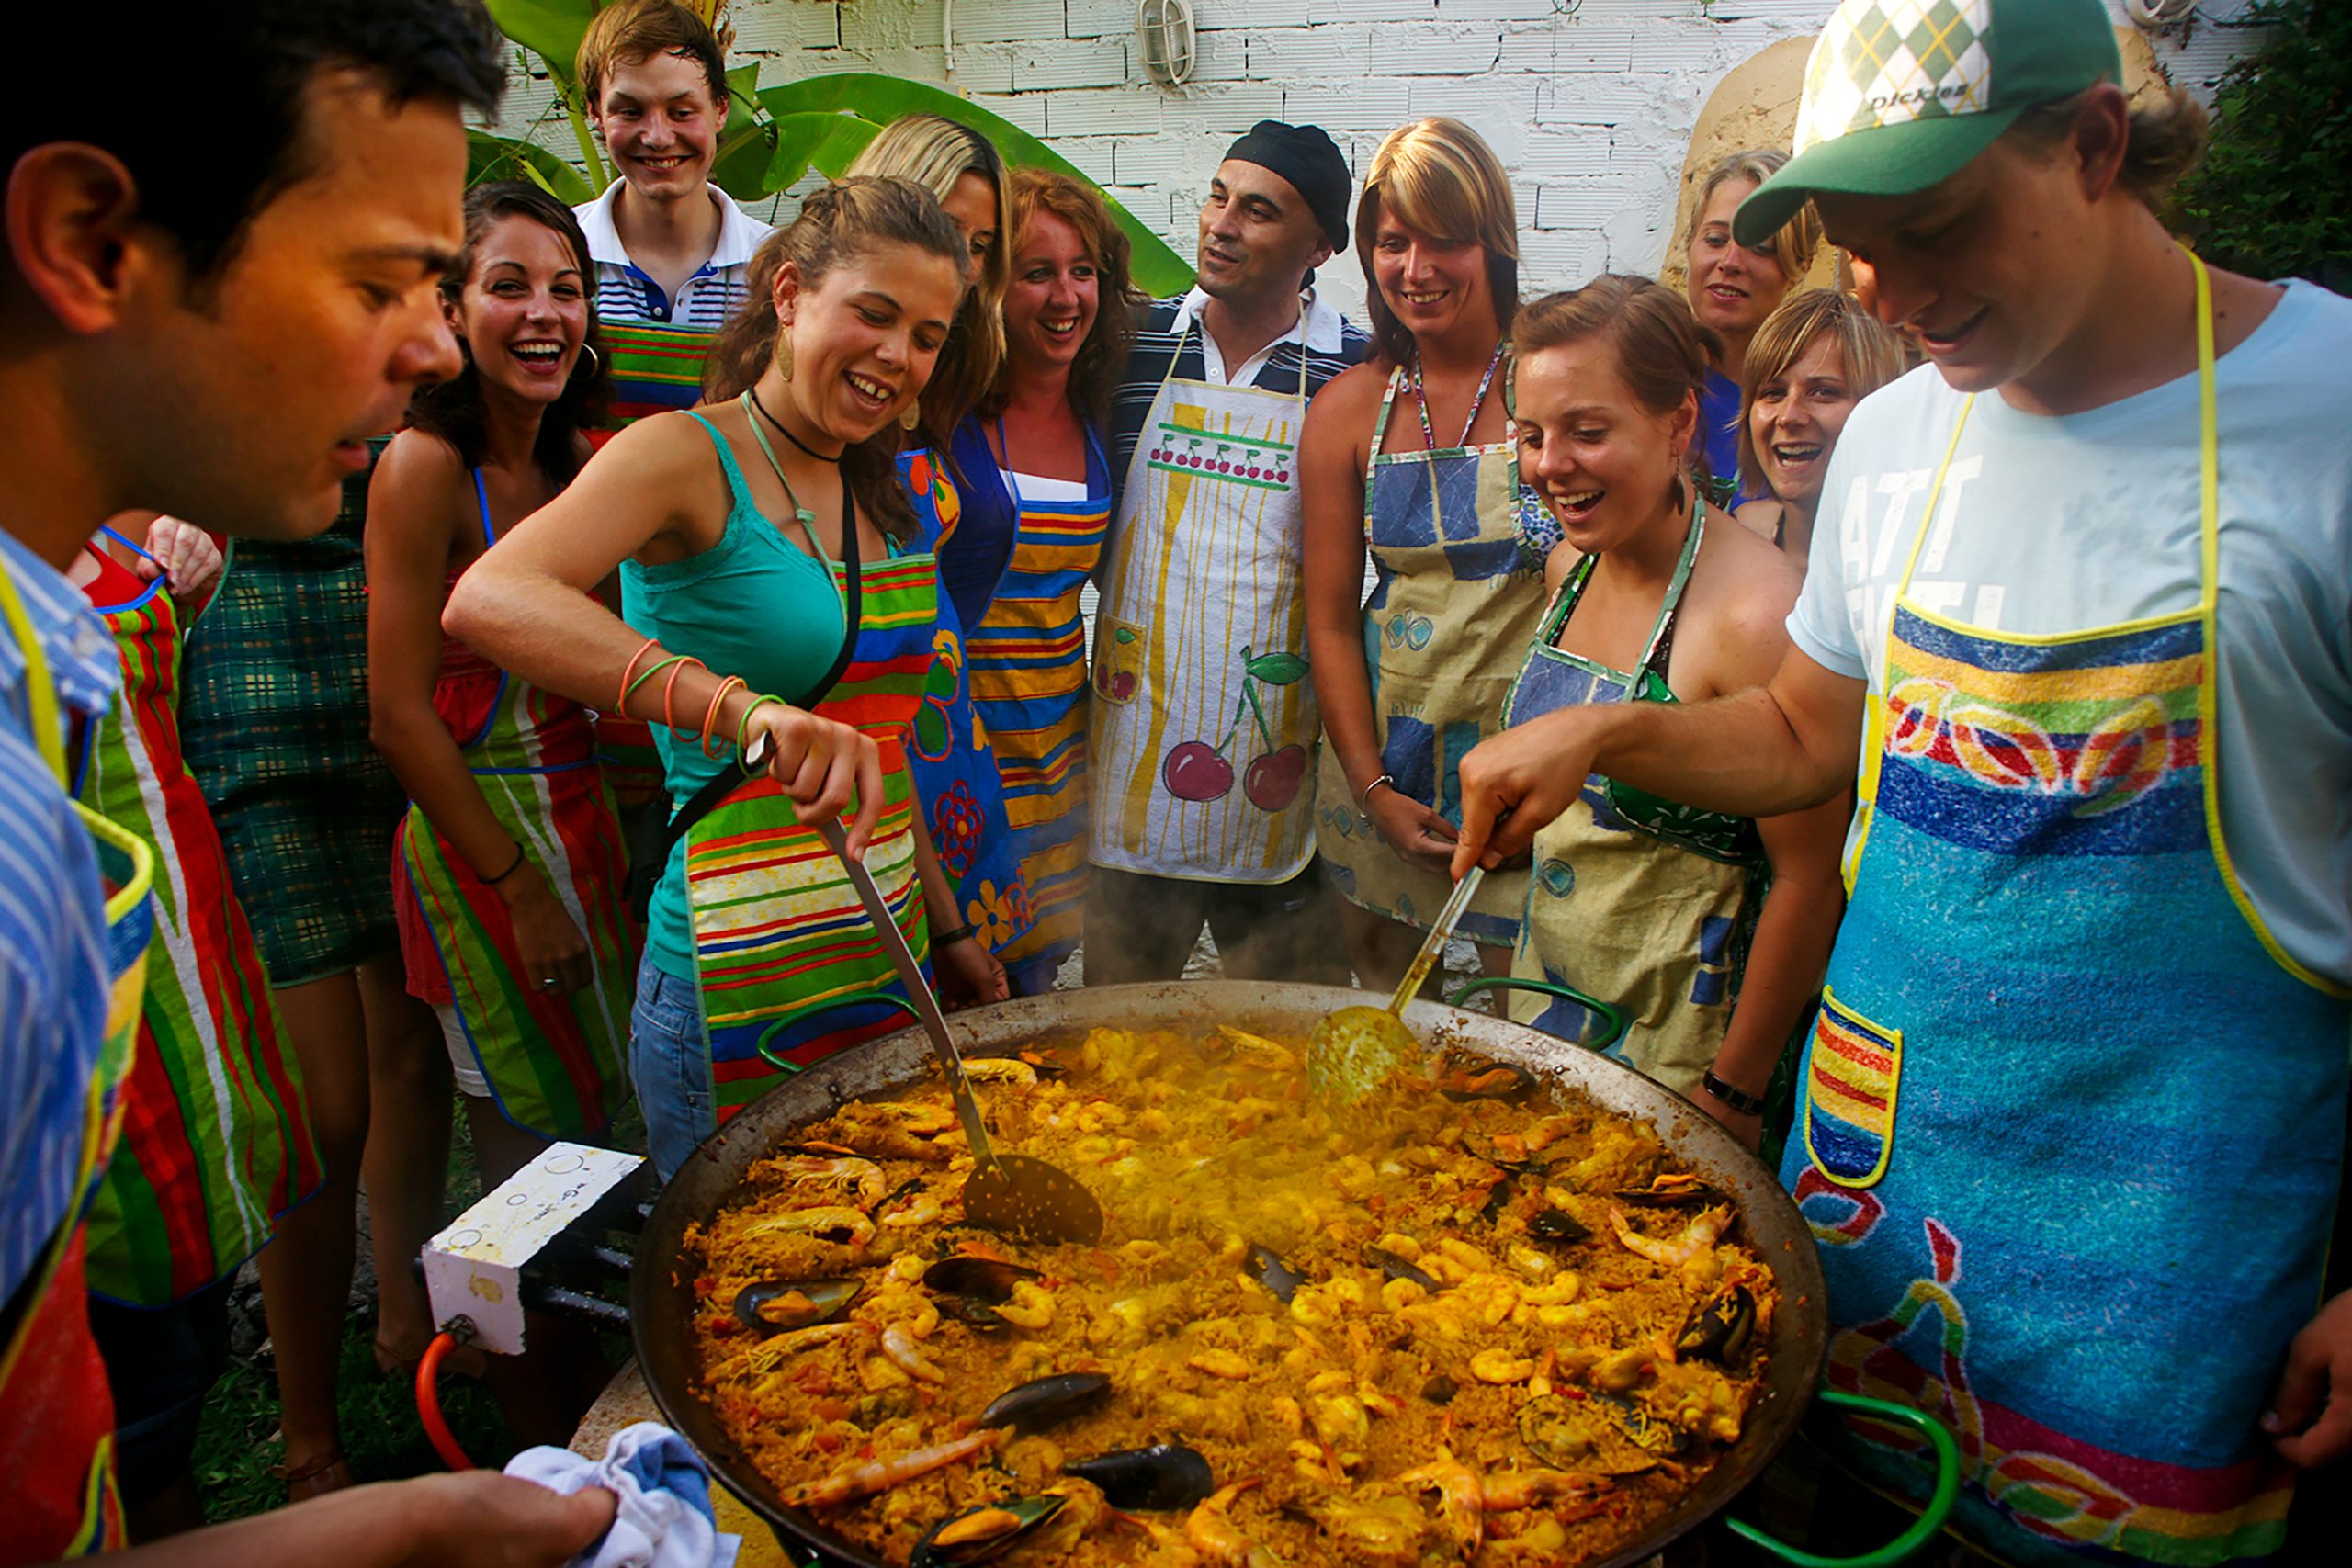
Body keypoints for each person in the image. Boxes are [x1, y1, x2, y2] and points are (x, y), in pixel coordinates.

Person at [1453, 0, 2352, 1558]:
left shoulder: (2330, 413)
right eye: (1857, 249)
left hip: (2170, 1258)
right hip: (1867, 1207)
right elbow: (1806, 737)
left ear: (2091, 147)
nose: (1896, 295)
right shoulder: (1893, 443)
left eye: (1933, 228)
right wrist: (1609, 731)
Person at [0, 1, 614, 1562]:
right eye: (380, 279)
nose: (433, 342)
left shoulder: (55, 656)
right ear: (86, 241)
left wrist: (401, 1532)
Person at [447, 178, 1002, 1182]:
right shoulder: (683, 455)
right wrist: (740, 709)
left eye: (925, 335)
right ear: (789, 295)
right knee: (744, 1285)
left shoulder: (887, 487)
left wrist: (951, 926)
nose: (896, 356)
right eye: (871, 314)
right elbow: (490, 597)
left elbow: (878, 742)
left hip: (884, 958)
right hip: (735, 971)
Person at [364, 183, 634, 1445]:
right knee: (524, 1173)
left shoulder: (581, 460)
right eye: (510, 286)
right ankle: (537, 1439)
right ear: (453, 307)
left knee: (608, 1142)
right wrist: (514, 884)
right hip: (486, 857)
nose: (543, 314)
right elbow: (400, 712)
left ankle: (609, 1411)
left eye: (566, 287)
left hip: (594, 833)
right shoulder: (427, 466)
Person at [1497, 278, 1847, 1144]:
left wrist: (1732, 1091)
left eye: (1587, 431)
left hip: (1682, 1055)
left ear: (1679, 424)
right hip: (1543, 1001)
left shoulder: (1759, 615)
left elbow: (1809, 879)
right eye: (1534, 436)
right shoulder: (1567, 571)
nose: (1551, 466)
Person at [69, 515, 319, 1541]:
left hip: (184, 981)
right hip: (79, 1036)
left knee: (181, 1343)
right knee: (117, 1405)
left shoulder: (96, 539)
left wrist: (192, 585)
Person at [1089, 121, 1368, 987]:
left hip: (1278, 770)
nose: (1221, 223)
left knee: (1286, 1043)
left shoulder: (1356, 371)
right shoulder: (1125, 342)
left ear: (1319, 244)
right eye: (1217, 196)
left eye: (1258, 210)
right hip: (1132, 748)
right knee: (1114, 1044)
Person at [1302, 117, 1546, 993]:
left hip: (1527, 773)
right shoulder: (1347, 409)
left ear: (1495, 240)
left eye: (1447, 239)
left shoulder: (1551, 384)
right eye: (1393, 241)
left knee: (1519, 1026)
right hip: (1387, 766)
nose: (1417, 268)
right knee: (1391, 1028)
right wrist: (1373, 790)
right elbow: (1328, 619)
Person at [843, 115, 1035, 991]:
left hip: (953, 745)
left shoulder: (950, 377)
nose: (956, 263)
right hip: (866, 754)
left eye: (978, 246)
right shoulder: (841, 400)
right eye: (941, 227)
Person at [939, 168, 1136, 992]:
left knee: (1035, 984)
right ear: (991, 287)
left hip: (1058, 746)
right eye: (1037, 272)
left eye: (1082, 271)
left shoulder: (1103, 411)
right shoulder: (947, 417)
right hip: (963, 748)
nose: (1066, 297)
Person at [573, 0, 774, 434]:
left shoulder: (776, 268)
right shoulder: (560, 258)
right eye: (630, 112)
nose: (658, 137)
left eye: (682, 112)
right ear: (594, 112)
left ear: (720, 109)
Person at [1682, 149, 1822, 506]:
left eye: (1761, 247)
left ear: (1800, 267)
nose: (1730, 262)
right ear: (1690, 245)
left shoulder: (1811, 408)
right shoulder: (1642, 379)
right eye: (1715, 240)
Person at [1731, 288, 1905, 559]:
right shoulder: (1736, 541)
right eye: (1773, 393)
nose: (1789, 416)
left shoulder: (1914, 554)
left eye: (1824, 392)